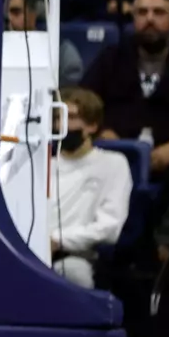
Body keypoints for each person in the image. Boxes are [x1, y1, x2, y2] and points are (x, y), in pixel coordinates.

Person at [81, 0, 169, 260]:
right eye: (142, 12)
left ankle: (167, 244)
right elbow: (83, 101)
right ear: (133, 19)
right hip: (113, 153)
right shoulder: (111, 58)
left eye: (158, 12)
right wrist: (103, 132)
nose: (149, 19)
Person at [51, 86, 133, 288]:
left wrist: (57, 240)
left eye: (71, 117)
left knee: (73, 273)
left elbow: (109, 226)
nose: (62, 125)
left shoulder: (113, 163)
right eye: (58, 117)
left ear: (92, 126)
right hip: (29, 251)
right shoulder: (41, 164)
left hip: (76, 255)